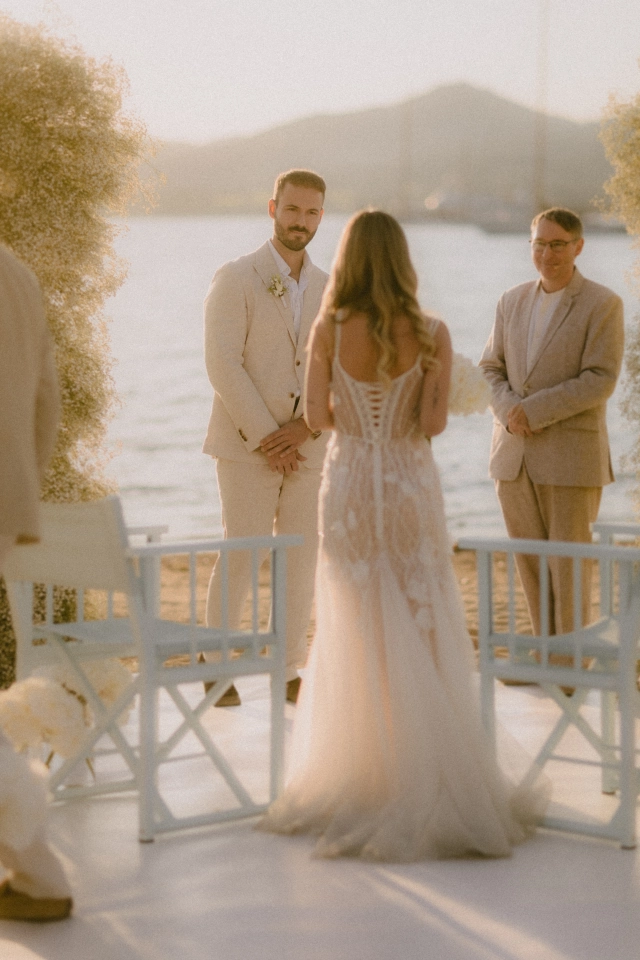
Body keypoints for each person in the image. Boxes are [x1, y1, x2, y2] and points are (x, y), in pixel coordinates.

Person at [259, 210, 545, 861]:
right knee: (423, 623)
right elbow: (435, 425)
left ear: (351, 258)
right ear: (402, 259)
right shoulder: (433, 332)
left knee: (355, 622)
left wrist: (354, 407)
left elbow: (318, 417)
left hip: (353, 487)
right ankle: (428, 772)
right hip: (412, 486)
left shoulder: (327, 329)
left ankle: (368, 774)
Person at [203, 170, 329, 705]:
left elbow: (337, 366)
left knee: (301, 556)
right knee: (243, 551)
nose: (301, 222)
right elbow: (223, 363)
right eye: (293, 210)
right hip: (244, 444)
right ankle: (213, 665)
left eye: (312, 213)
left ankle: (289, 666)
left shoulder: (330, 285)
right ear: (274, 206)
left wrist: (307, 428)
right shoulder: (237, 276)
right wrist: (267, 437)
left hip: (311, 445)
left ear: (322, 216)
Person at [480, 208, 624, 636]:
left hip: (571, 458)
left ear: (578, 246)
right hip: (512, 455)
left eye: (557, 244)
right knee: (529, 565)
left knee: (568, 567)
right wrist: (509, 411)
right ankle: (545, 657)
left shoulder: (603, 304)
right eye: (539, 244)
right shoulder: (511, 300)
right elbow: (490, 368)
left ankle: (568, 663)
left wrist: (535, 410)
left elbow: (600, 379)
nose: (547, 253)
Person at [0, 244, 72, 921]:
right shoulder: (19, 272)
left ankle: (42, 871)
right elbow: (46, 397)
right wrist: (19, 489)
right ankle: (36, 871)